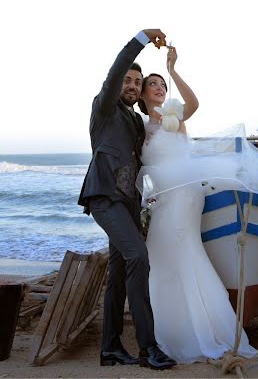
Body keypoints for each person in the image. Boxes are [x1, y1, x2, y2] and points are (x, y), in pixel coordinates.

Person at [137, 46, 258, 363]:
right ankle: (171, 330)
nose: (159, 87)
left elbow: (194, 103)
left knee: (181, 253)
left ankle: (198, 332)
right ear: (142, 93)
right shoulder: (140, 128)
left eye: (162, 84)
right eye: (153, 83)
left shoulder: (173, 117)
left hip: (184, 196)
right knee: (160, 259)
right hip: (163, 200)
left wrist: (172, 69)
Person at [78, 29, 176, 370]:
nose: (132, 85)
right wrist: (142, 38)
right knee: (139, 257)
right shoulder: (104, 108)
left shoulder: (135, 120)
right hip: (104, 196)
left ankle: (111, 348)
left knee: (118, 273)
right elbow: (115, 71)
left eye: (137, 82)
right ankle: (148, 348)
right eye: (127, 80)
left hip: (130, 203)